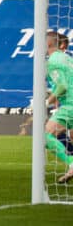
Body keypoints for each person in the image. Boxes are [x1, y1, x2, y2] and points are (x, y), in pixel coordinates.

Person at [43, 31, 73, 184]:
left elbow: (62, 86)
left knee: (45, 136)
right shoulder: (66, 58)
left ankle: (71, 162)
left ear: (48, 43)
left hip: (70, 104)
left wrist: (46, 102)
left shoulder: (53, 61)